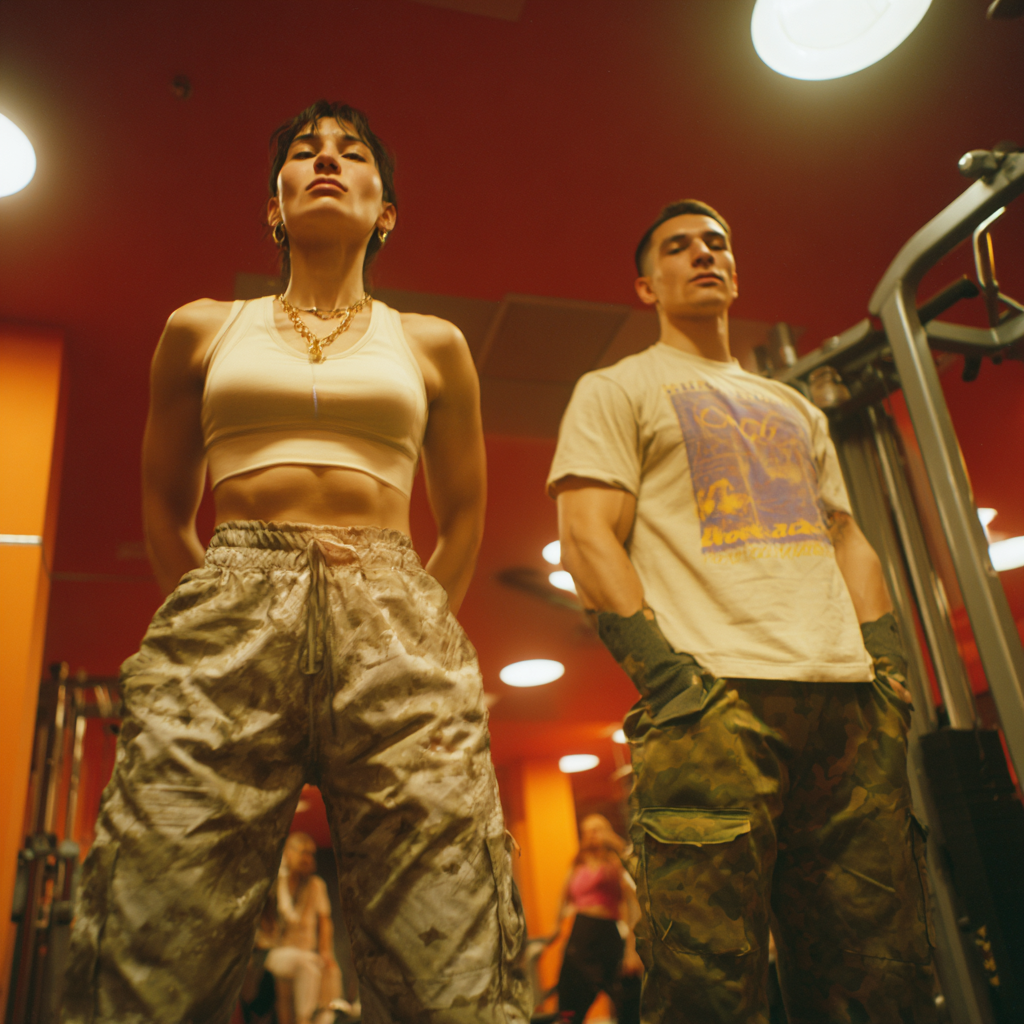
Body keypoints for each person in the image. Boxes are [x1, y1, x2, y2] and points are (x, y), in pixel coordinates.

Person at [61, 100, 529, 1024]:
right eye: (304, 153)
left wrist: (416, 621)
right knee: (153, 915)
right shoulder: (201, 328)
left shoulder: (433, 343)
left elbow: (466, 520)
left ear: (383, 209)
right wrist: (227, 611)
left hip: (395, 607)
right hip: (230, 599)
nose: (326, 161)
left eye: (352, 155)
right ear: (273, 207)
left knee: (452, 933)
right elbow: (165, 516)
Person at [547, 200, 936, 1023]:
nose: (703, 255)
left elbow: (846, 535)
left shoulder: (795, 408)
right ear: (646, 284)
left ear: (735, 270)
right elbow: (587, 539)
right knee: (708, 989)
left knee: (880, 972)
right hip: (713, 705)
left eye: (717, 243)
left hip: (849, 705)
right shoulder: (618, 388)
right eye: (678, 247)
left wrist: (889, 663)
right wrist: (671, 684)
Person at [555, 815, 641, 1024]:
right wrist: (556, 934)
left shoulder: (615, 863)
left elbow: (633, 901)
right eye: (588, 830)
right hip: (581, 933)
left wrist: (631, 950)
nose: (593, 834)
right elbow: (562, 901)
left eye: (598, 829)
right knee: (570, 1005)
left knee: (628, 998)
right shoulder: (577, 865)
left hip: (608, 933)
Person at [257, 833, 344, 1024]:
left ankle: (326, 1015)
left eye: (311, 854)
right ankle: (303, 1020)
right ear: (288, 853)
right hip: (276, 953)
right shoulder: (274, 885)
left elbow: (325, 921)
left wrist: (326, 952)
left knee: (330, 971)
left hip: (306, 953)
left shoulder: (316, 885)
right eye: (303, 853)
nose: (308, 859)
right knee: (307, 967)